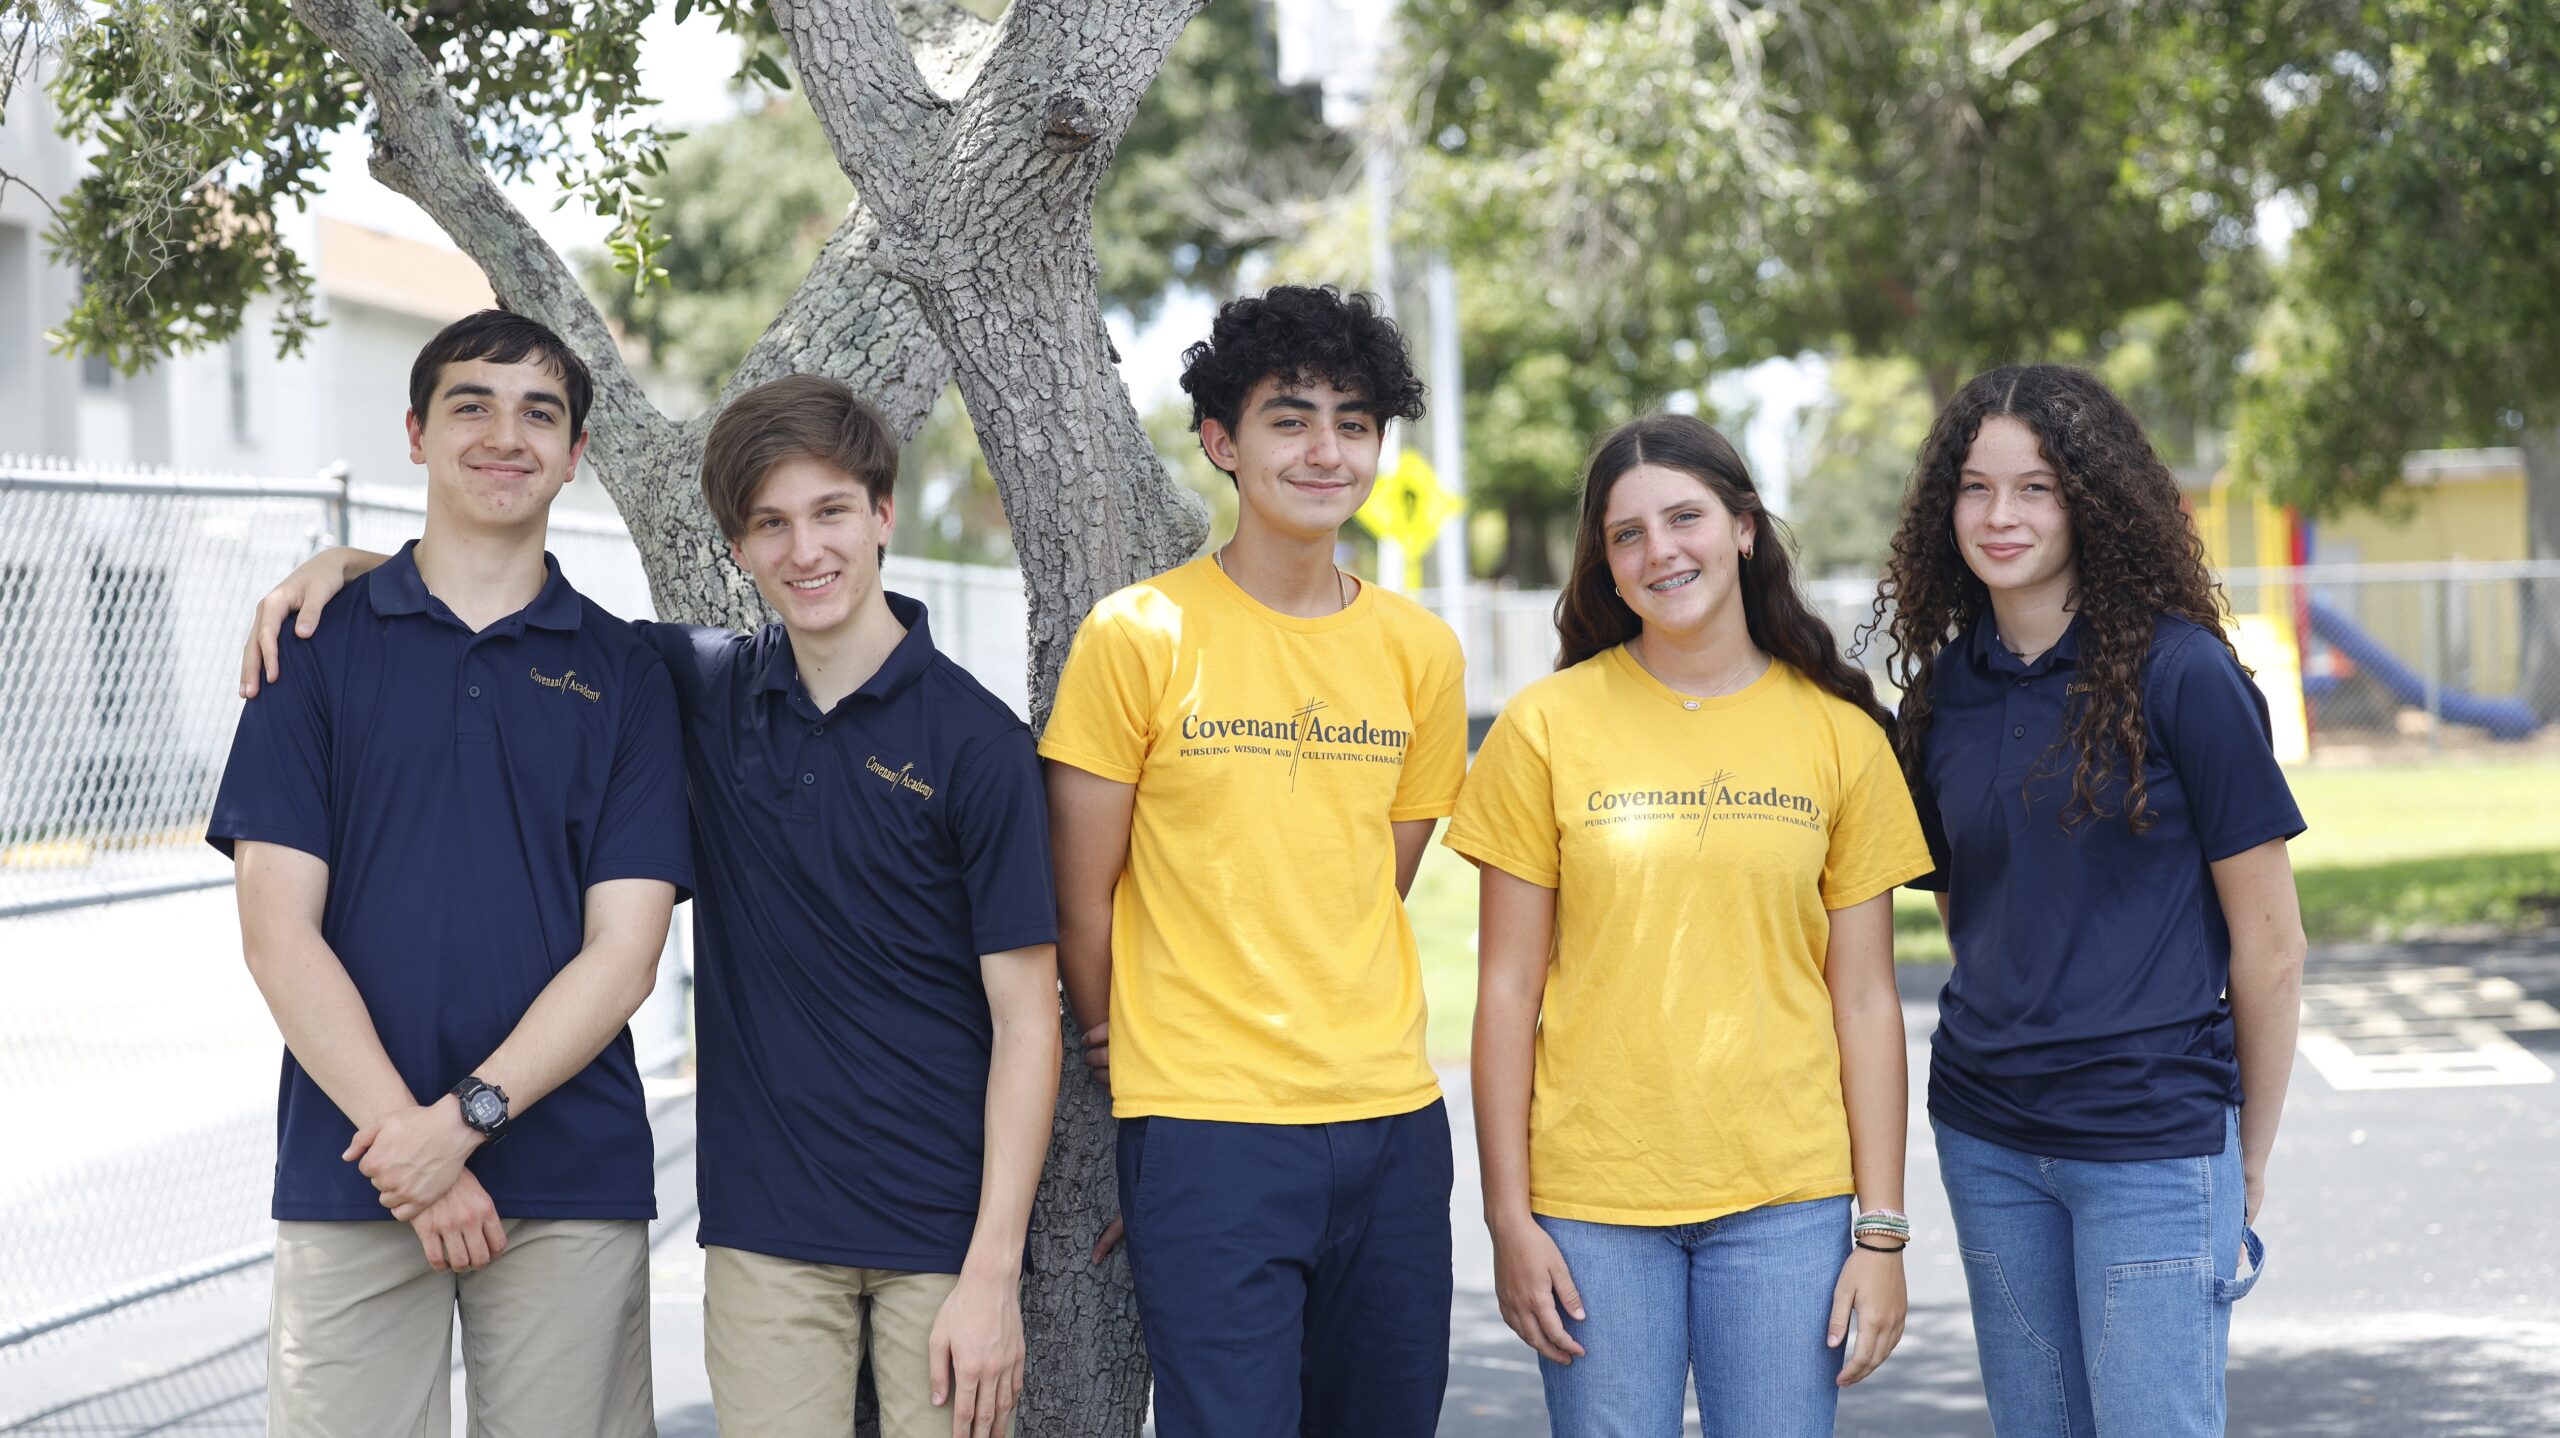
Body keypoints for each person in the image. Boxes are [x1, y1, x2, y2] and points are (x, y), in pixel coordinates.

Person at [241, 375, 1062, 1438]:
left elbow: (1027, 1021)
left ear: (882, 515)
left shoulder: (980, 745)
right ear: (738, 548)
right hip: (767, 1230)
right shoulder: (699, 687)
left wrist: (994, 1268)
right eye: (771, 524)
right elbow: (487, 597)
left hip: (943, 1231)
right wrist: (349, 569)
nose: (805, 550)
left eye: (830, 513)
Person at [212, 308, 694, 1437]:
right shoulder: (312, 645)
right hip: (355, 1166)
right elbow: (277, 933)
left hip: (570, 1179)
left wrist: (461, 1125)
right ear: (417, 433)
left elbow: (626, 953)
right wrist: (410, 1145)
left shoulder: (626, 672)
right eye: (472, 404)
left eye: (540, 413)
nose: (505, 435)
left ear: (575, 454)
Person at [1447, 414, 1928, 1437]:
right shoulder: (1544, 727)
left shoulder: (1840, 735)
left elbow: (1865, 998)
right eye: (1627, 534)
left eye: (1684, 518)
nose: (1659, 551)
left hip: (1787, 1201)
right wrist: (1507, 1218)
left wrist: (1881, 1232)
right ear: (1606, 565)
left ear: (1744, 529)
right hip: (1592, 1204)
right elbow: (1506, 991)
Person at [1039, 284, 1465, 1438]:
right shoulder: (1136, 635)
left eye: (1353, 422)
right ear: (1223, 441)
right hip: (1207, 1128)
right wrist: (1113, 1036)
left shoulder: (1420, 652)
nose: (1326, 450)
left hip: (1392, 1123)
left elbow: (1374, 879)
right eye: (1291, 418)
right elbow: (1082, 896)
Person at [1876, 364, 2307, 1436]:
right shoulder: (1940, 697)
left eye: (2036, 488)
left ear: (2091, 501)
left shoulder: (2185, 675)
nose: (2001, 515)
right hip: (1986, 1136)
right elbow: (1971, 911)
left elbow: (2270, 945)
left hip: (2150, 1139)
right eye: (1976, 489)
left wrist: (2245, 1152)